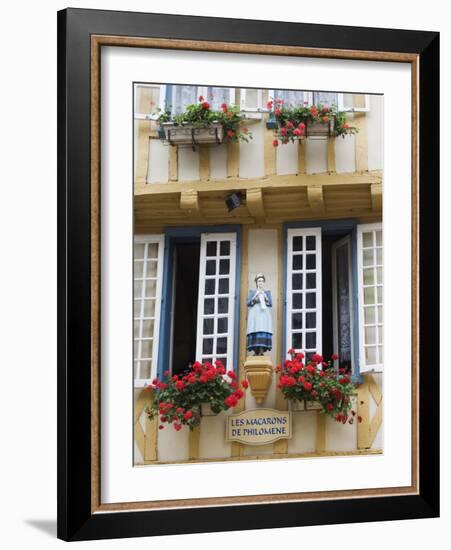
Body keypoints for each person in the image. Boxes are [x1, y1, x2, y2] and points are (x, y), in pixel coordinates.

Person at [246, 274, 272, 356]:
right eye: (259, 281)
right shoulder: (252, 292)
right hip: (255, 312)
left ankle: (261, 349)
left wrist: (265, 297)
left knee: (263, 329)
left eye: (262, 281)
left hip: (264, 313)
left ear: (264, 282)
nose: (260, 283)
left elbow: (270, 303)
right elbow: (248, 303)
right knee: (254, 328)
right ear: (256, 282)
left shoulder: (267, 292)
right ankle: (255, 350)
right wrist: (255, 297)